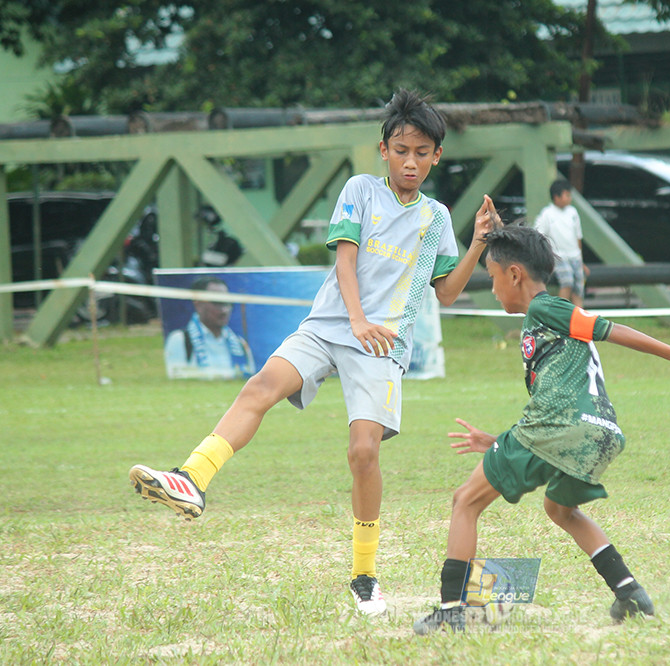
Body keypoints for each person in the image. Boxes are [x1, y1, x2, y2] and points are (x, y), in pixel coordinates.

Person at [129, 89, 499, 617]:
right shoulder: (361, 191)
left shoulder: (438, 219)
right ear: (383, 150)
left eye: (421, 151)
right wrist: (353, 318)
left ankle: (365, 575)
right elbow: (346, 263)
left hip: (382, 345)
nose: (410, 160)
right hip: (332, 323)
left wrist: (479, 244)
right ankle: (191, 479)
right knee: (261, 385)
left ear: (437, 155)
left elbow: (446, 292)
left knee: (363, 453)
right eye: (400, 150)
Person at [413, 225, 670, 635]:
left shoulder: (544, 309)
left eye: (492, 276)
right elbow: (556, 401)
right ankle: (630, 593)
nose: (492, 287)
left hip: (557, 428)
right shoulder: (543, 322)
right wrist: (499, 441)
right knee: (560, 509)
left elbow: (607, 327)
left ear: (514, 274)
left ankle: (451, 611)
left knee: (465, 501)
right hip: (601, 432)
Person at [163, 276, 256, 380]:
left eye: (227, 303)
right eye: (217, 303)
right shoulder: (180, 340)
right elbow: (176, 381)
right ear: (198, 305)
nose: (224, 310)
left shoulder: (240, 344)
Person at [534, 179, 586, 306]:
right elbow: (538, 235)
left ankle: (580, 319)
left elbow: (578, 236)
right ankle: (561, 313)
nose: (569, 198)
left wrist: (581, 260)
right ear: (556, 197)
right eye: (566, 195)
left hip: (575, 255)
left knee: (579, 288)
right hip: (559, 256)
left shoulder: (573, 212)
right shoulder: (547, 214)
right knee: (567, 282)